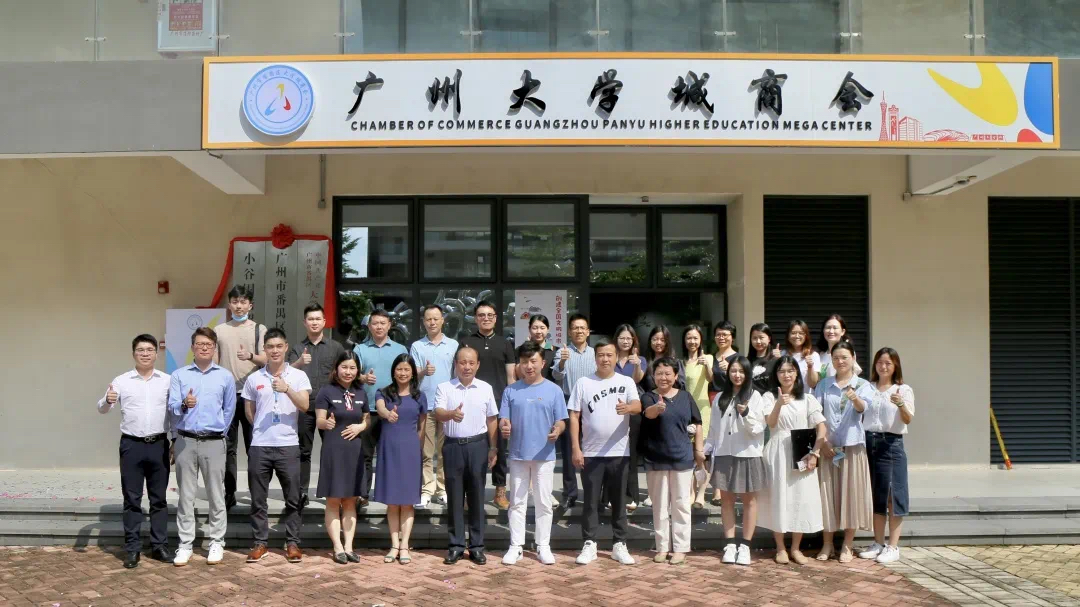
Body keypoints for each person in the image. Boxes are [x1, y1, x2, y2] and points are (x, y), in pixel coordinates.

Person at [98, 334, 174, 568]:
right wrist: (108, 399)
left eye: (149, 350)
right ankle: (132, 549)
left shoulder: (167, 381)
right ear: (134, 354)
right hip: (132, 445)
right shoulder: (121, 381)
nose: (145, 354)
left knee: (159, 499)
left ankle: (159, 546)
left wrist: (175, 441)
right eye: (141, 350)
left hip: (159, 444)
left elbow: (175, 413)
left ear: (156, 354)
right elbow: (102, 408)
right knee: (132, 499)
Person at [569, 339, 642, 566]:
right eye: (601, 355)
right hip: (591, 452)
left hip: (619, 452)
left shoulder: (626, 381)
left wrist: (628, 408)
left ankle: (619, 543)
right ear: (595, 358)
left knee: (619, 501)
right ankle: (589, 543)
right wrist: (576, 448)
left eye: (609, 355)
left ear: (616, 357)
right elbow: (574, 416)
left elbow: (638, 406)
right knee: (590, 501)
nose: (605, 359)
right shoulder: (583, 383)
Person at [241, 328, 312, 564]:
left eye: (279, 346)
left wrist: (287, 389)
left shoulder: (298, 376)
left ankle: (292, 543)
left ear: (286, 347)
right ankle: (260, 543)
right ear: (264, 349)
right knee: (258, 499)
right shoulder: (254, 378)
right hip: (260, 445)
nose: (274, 350)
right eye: (270, 346)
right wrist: (261, 430)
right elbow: (249, 411)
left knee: (293, 498)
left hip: (288, 445)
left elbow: (304, 406)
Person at [168, 327, 237, 567]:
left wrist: (220, 433)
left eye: (208, 344)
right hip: (185, 441)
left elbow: (229, 410)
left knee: (216, 494)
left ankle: (217, 541)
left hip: (214, 442)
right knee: (186, 496)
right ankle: (185, 544)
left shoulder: (225, 376)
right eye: (199, 344)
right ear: (192, 348)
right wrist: (184, 404)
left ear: (214, 348)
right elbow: (172, 407)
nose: (204, 348)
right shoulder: (179, 375)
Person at [499, 341, 569, 566]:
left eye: (533, 361)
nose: (529, 366)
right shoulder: (511, 390)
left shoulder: (554, 390)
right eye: (524, 362)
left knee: (544, 502)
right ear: (518, 364)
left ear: (542, 363)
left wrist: (558, 429)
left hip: (545, 455)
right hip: (518, 454)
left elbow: (561, 420)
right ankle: (516, 546)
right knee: (517, 502)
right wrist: (504, 426)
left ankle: (543, 546)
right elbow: (503, 419)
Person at [758, 355, 826, 566]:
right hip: (777, 449)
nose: (786, 375)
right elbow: (770, 423)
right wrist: (779, 404)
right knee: (778, 496)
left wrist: (815, 453)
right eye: (782, 371)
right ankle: (780, 547)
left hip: (802, 450)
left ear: (797, 373)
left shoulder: (807, 399)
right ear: (776, 375)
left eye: (790, 370)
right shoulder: (769, 397)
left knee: (800, 497)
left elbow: (821, 427)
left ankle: (796, 548)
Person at [434, 346, 498, 565]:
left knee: (477, 497)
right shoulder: (445, 387)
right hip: (453, 447)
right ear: (456, 364)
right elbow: (438, 413)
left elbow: (492, 419)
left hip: (478, 446)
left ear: (478, 365)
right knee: (454, 497)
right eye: (462, 362)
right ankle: (456, 545)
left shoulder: (486, 388)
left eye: (471, 363)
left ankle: (477, 546)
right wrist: (451, 414)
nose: (467, 367)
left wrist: (493, 447)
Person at [813, 341, 875, 563]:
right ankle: (827, 543)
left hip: (852, 447)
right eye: (836, 358)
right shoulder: (824, 385)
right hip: (829, 447)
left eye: (844, 357)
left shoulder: (863, 385)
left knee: (852, 496)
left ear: (853, 358)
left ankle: (847, 545)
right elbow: (816, 415)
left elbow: (864, 409)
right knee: (827, 496)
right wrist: (823, 443)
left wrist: (855, 398)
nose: (840, 361)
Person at [639, 357, 703, 565]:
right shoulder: (649, 396)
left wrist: (699, 450)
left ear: (675, 376)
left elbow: (698, 423)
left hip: (682, 457)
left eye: (668, 373)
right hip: (656, 458)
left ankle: (681, 548)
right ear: (653, 376)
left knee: (681, 504)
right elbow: (647, 414)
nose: (663, 377)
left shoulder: (685, 397)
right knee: (659, 505)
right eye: (659, 373)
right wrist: (657, 409)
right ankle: (662, 547)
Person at [706, 356, 768, 566]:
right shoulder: (720, 397)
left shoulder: (755, 396)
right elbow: (714, 429)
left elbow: (758, 429)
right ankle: (730, 544)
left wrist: (746, 413)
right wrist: (706, 450)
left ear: (747, 373)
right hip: (724, 453)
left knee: (749, 501)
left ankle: (745, 546)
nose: (737, 375)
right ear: (728, 373)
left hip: (748, 453)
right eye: (733, 371)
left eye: (741, 371)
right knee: (727, 501)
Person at [214, 285, 268, 512]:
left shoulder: (259, 329)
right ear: (229, 304)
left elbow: (267, 359)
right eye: (235, 301)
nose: (239, 305)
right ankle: (229, 492)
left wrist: (250, 356)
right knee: (228, 448)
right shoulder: (219, 330)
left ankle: (257, 493)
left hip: (252, 397)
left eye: (243, 301)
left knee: (254, 446)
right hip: (227, 397)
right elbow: (215, 363)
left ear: (250, 305)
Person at [458, 301, 516, 510]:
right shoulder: (466, 342)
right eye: (481, 315)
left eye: (490, 315)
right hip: (471, 403)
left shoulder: (505, 343)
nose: (486, 318)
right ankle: (470, 493)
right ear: (475, 318)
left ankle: (500, 491)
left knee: (498, 448)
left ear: (496, 318)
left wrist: (510, 406)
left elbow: (511, 378)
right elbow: (459, 373)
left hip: (499, 403)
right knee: (472, 450)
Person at [287, 303, 345, 510]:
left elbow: (345, 373)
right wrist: (299, 362)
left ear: (324, 322)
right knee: (303, 451)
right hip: (305, 407)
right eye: (310, 319)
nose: (314, 322)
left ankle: (334, 490)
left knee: (332, 450)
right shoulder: (297, 349)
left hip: (330, 408)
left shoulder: (335, 348)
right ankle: (302, 491)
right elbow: (287, 373)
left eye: (318, 319)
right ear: (305, 322)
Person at [859, 347, 915, 564]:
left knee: (893, 495)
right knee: (876, 495)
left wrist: (900, 404)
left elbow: (908, 419)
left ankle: (893, 546)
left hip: (891, 444)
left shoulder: (903, 389)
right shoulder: (867, 387)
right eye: (880, 362)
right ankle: (878, 543)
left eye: (888, 363)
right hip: (868, 442)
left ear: (895, 366)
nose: (883, 366)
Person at [314, 351, 369, 564]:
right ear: (336, 368)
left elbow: (366, 418)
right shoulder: (326, 391)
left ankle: (349, 547)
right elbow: (319, 420)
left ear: (357, 371)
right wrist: (326, 423)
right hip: (334, 451)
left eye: (352, 368)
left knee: (350, 500)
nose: (348, 372)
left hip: (354, 452)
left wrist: (361, 426)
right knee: (333, 500)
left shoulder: (361, 392)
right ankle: (337, 547)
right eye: (344, 367)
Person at [372, 354, 427, 564]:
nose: (402, 373)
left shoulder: (419, 396)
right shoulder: (383, 392)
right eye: (399, 369)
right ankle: (394, 544)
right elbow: (380, 408)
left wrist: (419, 450)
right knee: (393, 501)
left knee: (407, 502)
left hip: (410, 451)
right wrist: (387, 414)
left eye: (406, 369)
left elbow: (422, 427)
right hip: (389, 450)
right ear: (393, 371)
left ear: (412, 373)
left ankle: (405, 545)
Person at [353, 308, 409, 507]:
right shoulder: (360, 349)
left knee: (391, 454)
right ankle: (363, 494)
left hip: (393, 410)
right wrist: (363, 378)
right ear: (369, 326)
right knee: (365, 455)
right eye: (375, 323)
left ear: (389, 325)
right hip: (367, 410)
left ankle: (392, 492)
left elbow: (407, 375)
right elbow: (351, 374)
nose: (379, 327)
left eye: (382, 323)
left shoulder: (400, 349)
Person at [410, 304, 458, 508]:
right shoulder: (417, 346)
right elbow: (411, 374)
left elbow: (457, 374)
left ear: (442, 321)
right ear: (423, 322)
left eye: (436, 319)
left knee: (445, 450)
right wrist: (423, 371)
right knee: (427, 451)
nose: (432, 322)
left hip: (446, 406)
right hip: (425, 404)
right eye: (428, 319)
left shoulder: (453, 345)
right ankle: (427, 489)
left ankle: (443, 488)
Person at [551, 313, 596, 511]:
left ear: (588, 331)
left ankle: (592, 493)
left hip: (592, 405)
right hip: (569, 404)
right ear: (569, 332)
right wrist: (562, 362)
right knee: (570, 450)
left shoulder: (595, 353)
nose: (579, 331)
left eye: (582, 328)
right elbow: (556, 375)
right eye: (575, 328)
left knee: (591, 450)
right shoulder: (562, 352)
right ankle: (570, 493)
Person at [613, 324, 646, 510]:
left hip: (632, 410)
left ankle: (632, 495)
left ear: (633, 340)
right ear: (616, 340)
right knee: (612, 454)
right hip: (612, 411)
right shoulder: (610, 358)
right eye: (622, 338)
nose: (625, 341)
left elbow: (637, 380)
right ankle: (610, 496)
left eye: (629, 338)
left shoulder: (640, 360)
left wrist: (637, 365)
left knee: (631, 453)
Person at [682, 324, 714, 509]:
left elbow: (711, 379)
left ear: (701, 339)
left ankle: (701, 493)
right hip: (685, 411)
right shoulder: (681, 362)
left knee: (701, 456)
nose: (692, 341)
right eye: (689, 338)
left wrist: (707, 365)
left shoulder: (707, 358)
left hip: (702, 410)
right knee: (688, 454)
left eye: (695, 337)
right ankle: (691, 492)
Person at [815, 314, 862, 379]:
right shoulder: (820, 355)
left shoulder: (847, 352)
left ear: (842, 332)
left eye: (835, 328)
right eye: (828, 328)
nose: (831, 331)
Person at [783, 320, 822, 391]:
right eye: (793, 333)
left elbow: (813, 384)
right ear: (788, 336)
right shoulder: (782, 354)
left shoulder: (813, 355)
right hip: (787, 396)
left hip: (806, 396)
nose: (797, 336)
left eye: (801, 333)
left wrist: (810, 367)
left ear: (806, 336)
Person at [747, 322, 782, 395]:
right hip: (752, 400)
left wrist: (780, 360)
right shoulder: (747, 361)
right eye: (754, 338)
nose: (758, 341)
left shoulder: (776, 359)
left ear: (769, 338)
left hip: (772, 399)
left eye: (761, 337)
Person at [710, 320, 740, 394]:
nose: (721, 338)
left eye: (724, 335)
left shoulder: (739, 359)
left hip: (730, 396)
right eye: (718, 335)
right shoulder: (710, 358)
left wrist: (730, 369)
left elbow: (744, 381)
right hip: (713, 397)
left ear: (732, 337)